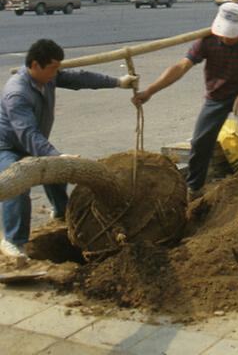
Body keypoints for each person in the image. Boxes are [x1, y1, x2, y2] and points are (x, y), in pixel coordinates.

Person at [0, 39, 138, 259]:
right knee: (18, 186)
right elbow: (28, 134)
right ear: (36, 65)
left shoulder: (48, 78)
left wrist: (118, 82)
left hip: (32, 143)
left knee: (57, 173)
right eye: (53, 68)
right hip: (7, 147)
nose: (57, 73)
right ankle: (13, 241)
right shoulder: (16, 93)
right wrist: (57, 156)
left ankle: (61, 212)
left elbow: (80, 78)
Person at [133, 2, 238, 197]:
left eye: (231, 34)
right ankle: (194, 187)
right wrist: (150, 91)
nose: (226, 38)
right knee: (201, 140)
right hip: (216, 96)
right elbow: (181, 67)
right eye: (224, 33)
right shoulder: (207, 39)